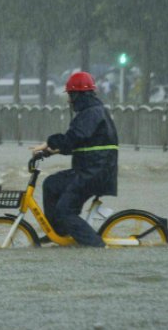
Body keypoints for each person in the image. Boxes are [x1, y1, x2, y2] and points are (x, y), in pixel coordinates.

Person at [30, 71, 118, 248]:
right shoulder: (92, 112)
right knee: (52, 184)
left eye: (71, 95)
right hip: (90, 169)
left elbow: (72, 138)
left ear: (80, 95)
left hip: (94, 173)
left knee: (65, 211)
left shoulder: (91, 113)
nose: (69, 100)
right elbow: (79, 145)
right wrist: (49, 151)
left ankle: (97, 246)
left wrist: (49, 142)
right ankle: (59, 232)